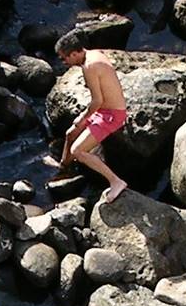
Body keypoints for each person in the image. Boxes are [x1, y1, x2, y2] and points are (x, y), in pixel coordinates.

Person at [50, 36, 132, 201]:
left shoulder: (90, 66)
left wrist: (82, 118)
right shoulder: (93, 54)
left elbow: (97, 101)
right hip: (104, 110)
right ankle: (64, 167)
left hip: (111, 115)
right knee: (70, 133)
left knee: (78, 151)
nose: (64, 62)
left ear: (74, 54)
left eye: (64, 58)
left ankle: (116, 182)